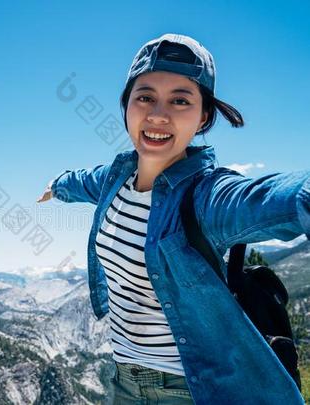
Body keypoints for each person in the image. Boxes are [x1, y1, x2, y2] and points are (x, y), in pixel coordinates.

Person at [36, 33, 310, 404]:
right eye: (145, 96)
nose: (158, 114)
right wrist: (57, 186)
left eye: (180, 100)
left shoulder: (208, 197)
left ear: (203, 117)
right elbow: (82, 182)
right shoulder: (115, 179)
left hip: (189, 391)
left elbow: (276, 198)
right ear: (127, 106)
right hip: (123, 381)